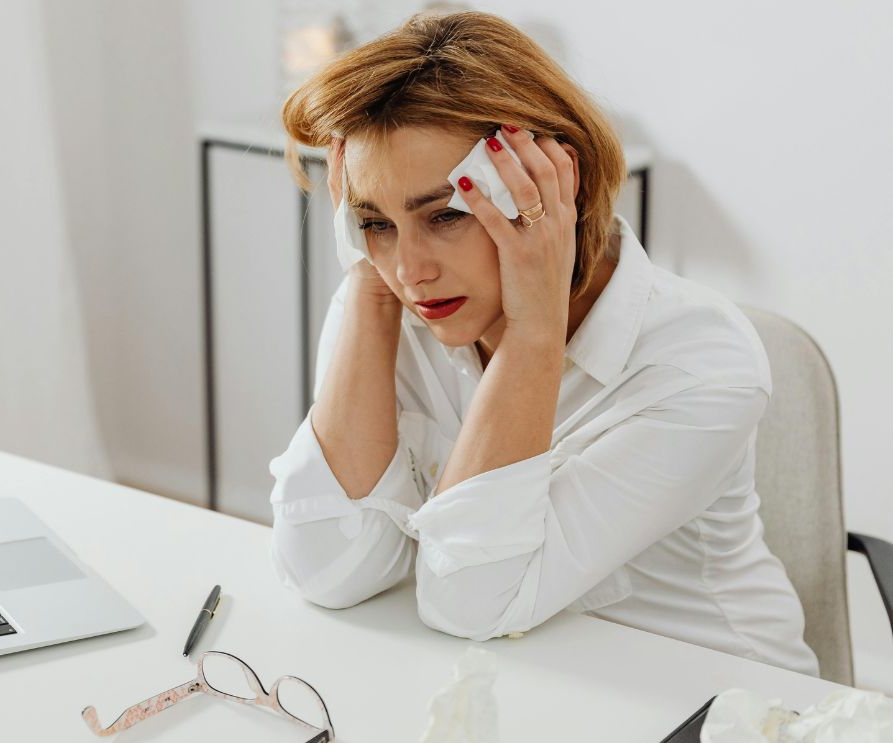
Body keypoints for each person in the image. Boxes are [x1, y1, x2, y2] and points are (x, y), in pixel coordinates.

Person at [267, 10, 819, 677]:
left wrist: (533, 334)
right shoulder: (390, 301)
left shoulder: (699, 364)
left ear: (552, 182)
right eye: (374, 222)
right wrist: (365, 290)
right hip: (526, 685)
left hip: (713, 698)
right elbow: (325, 570)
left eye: (444, 214)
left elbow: (468, 603)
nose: (409, 269)